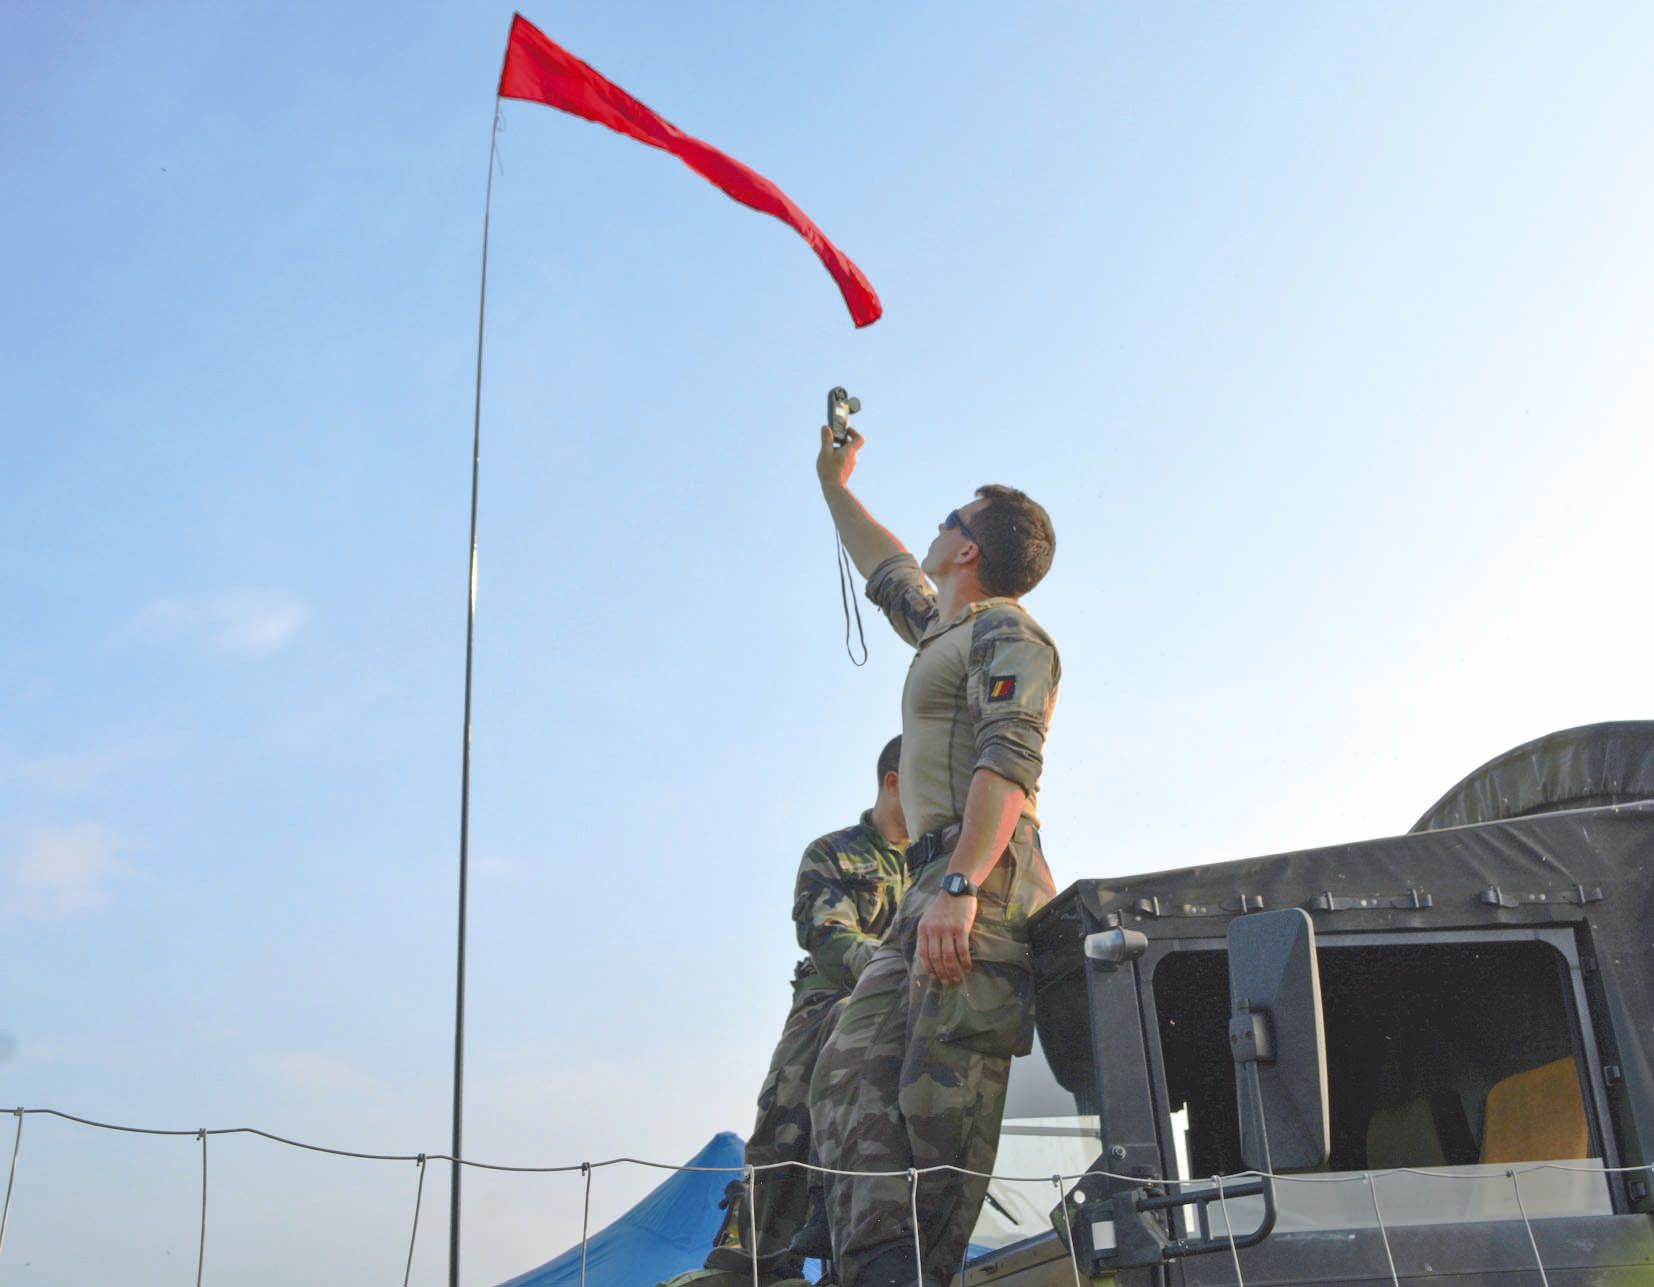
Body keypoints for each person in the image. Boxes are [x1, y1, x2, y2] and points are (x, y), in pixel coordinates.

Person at [808, 423, 1060, 1287]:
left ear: (967, 548)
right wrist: (834, 483)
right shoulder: (945, 632)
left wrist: (960, 884)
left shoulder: (1010, 635)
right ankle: (875, 1271)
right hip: (926, 888)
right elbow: (886, 568)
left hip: (973, 884)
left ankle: (919, 1271)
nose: (935, 523)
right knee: (845, 1075)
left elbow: (1009, 761)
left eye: (951, 515)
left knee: (937, 1103)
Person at [702, 736, 910, 1284]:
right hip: (832, 1000)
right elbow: (829, 937)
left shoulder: (941, 864)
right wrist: (894, 971)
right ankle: (762, 1257)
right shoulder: (834, 852)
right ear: (893, 781)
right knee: (784, 1128)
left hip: (920, 1015)